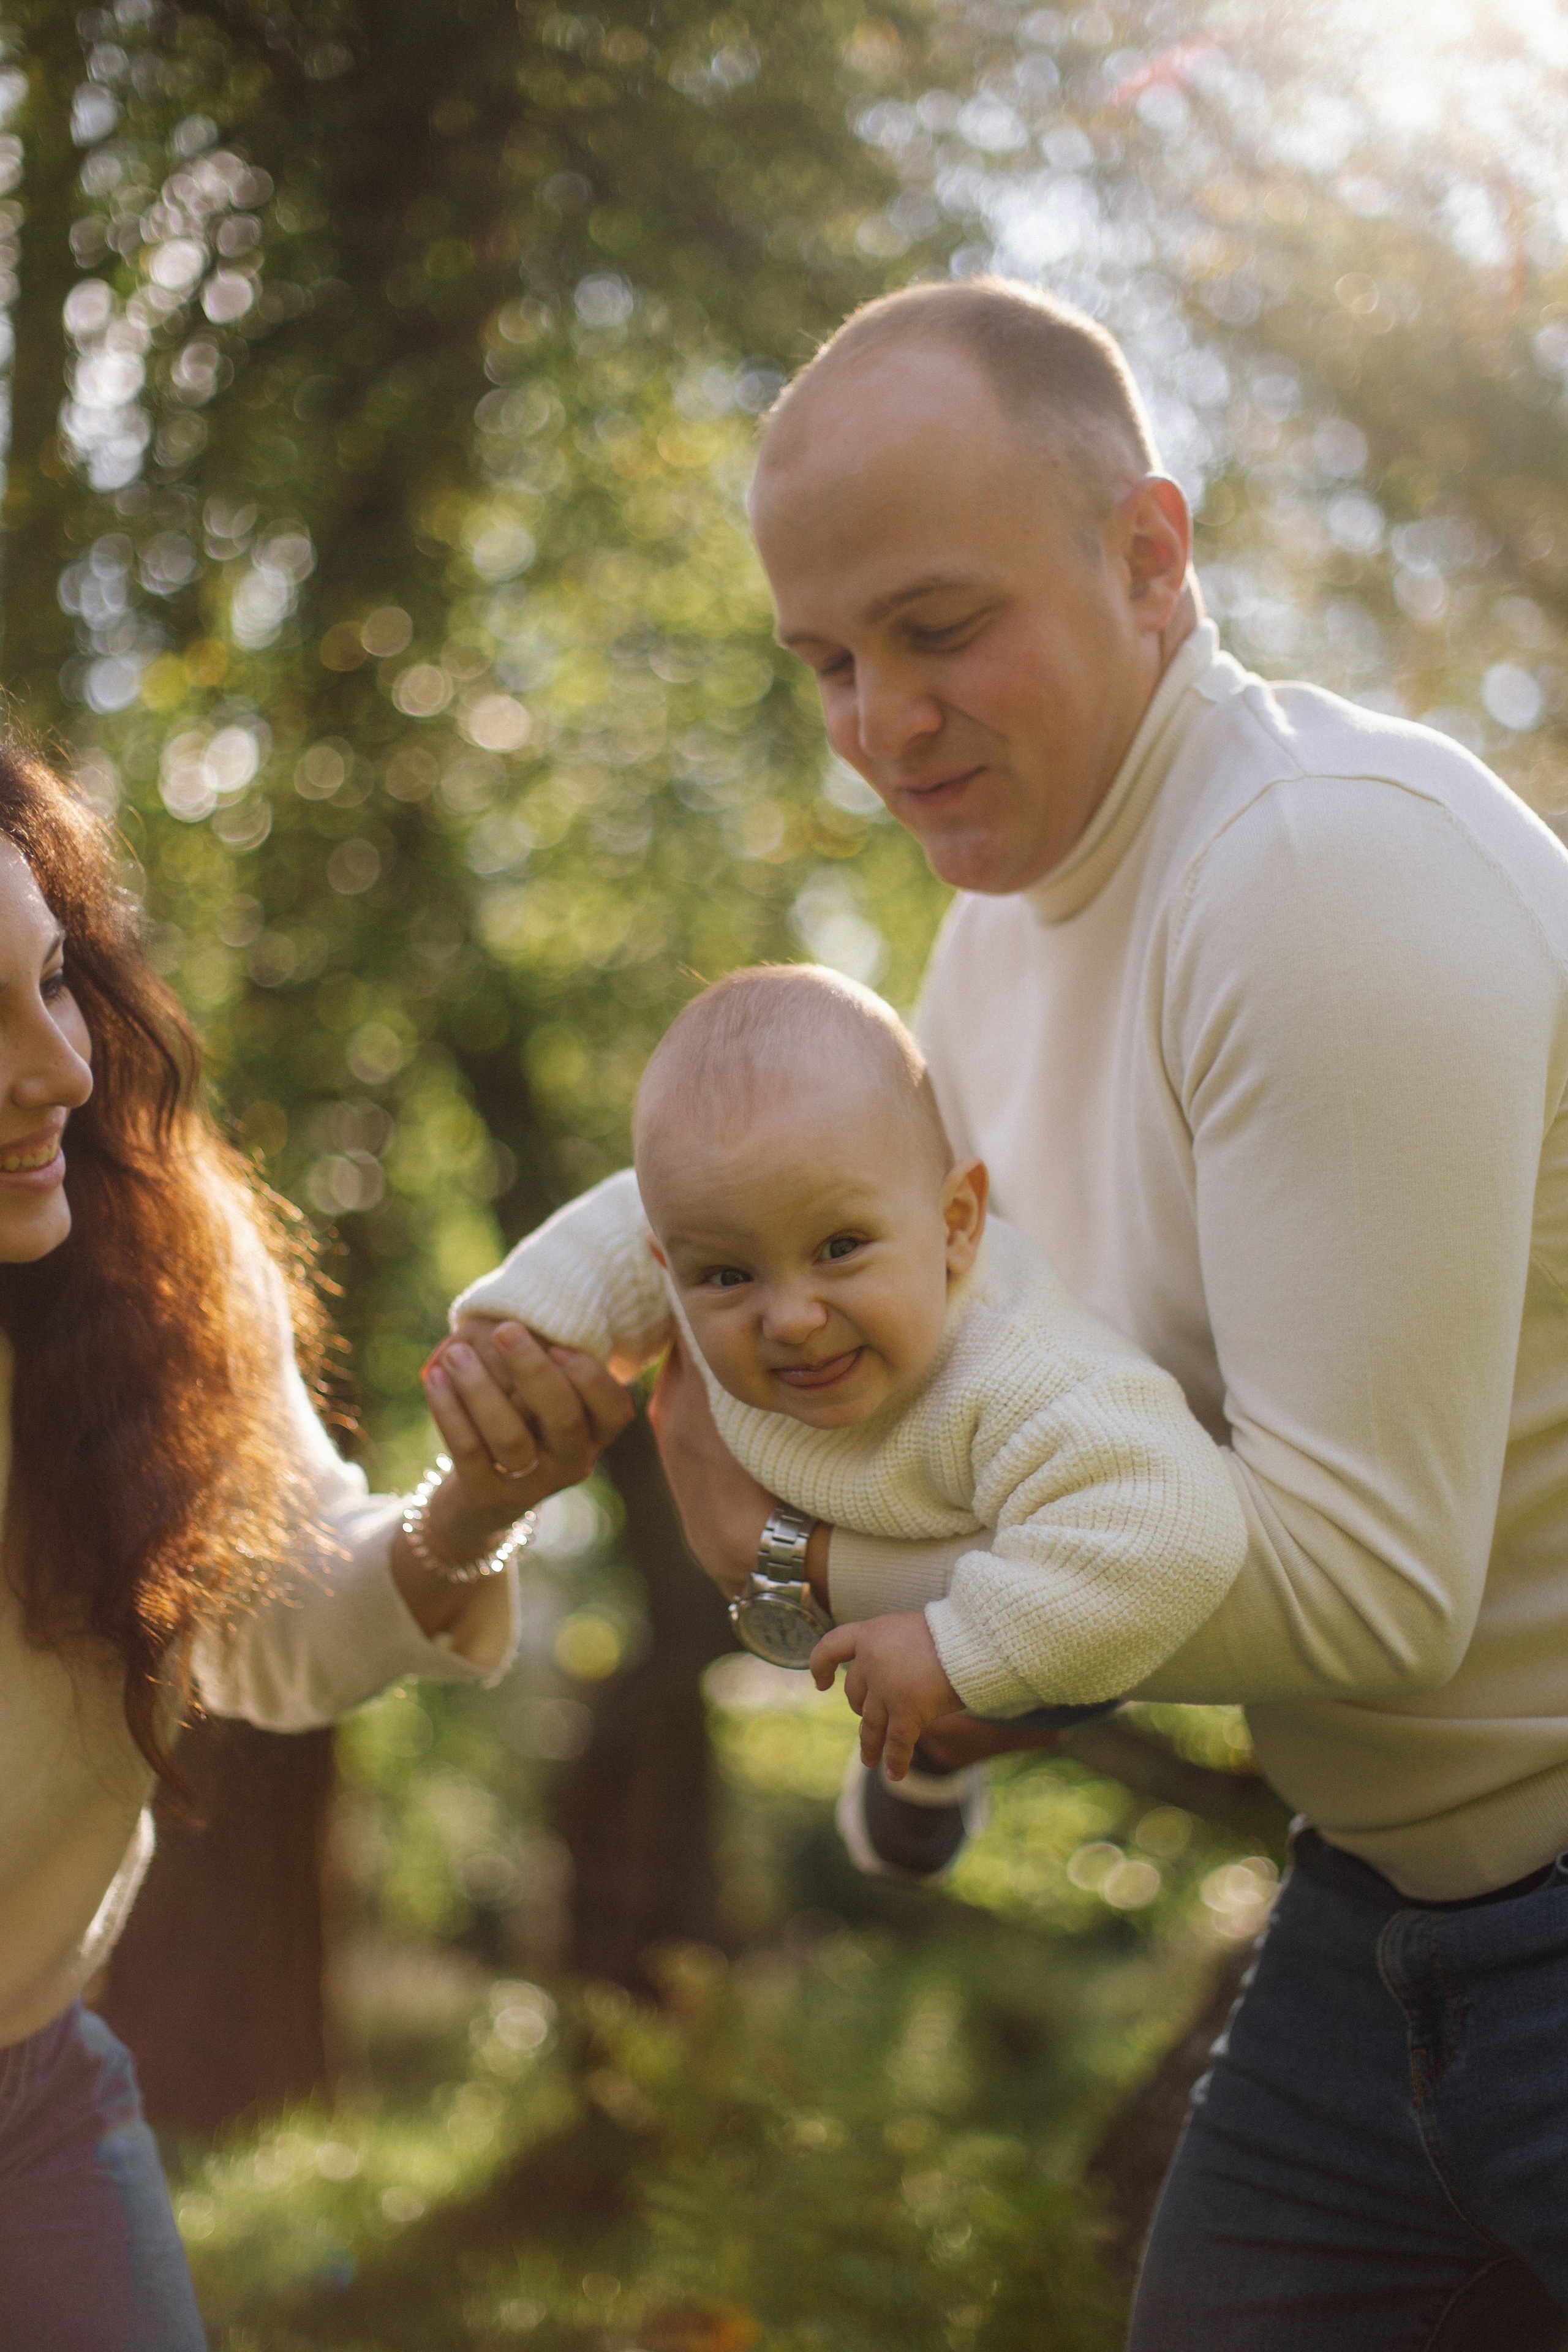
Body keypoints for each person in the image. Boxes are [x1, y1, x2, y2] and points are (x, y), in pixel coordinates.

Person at [639, 274, 1568, 2346]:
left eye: (939, 632)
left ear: (1152, 554)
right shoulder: (996, 935)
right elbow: (1035, 1428)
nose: (882, 725)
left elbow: (1365, 1587)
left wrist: (802, 1559)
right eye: (829, 662)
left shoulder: (1317, 878)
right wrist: (561, 1345)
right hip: (1379, 1920)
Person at [0, 745, 631, 2348]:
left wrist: (476, 1506)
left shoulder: (154, 1262)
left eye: (57, 984)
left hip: (31, 2097)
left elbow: (280, 1626)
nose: (58, 1074)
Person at [438, 962, 1244, 1875]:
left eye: (841, 1249)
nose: (790, 1318)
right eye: (728, 1276)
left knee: (1001, 1691)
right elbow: (626, 1221)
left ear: (956, 1223)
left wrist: (957, 1648)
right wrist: (520, 1331)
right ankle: (920, 1741)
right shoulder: (728, 1219)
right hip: (863, 1511)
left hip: (1030, 1563)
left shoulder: (1026, 1374)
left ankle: (938, 1752)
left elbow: (1181, 1529)